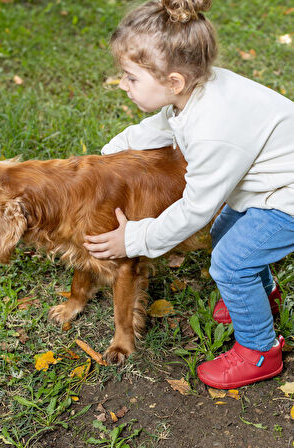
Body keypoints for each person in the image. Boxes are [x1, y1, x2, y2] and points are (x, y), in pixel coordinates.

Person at [83, 0, 294, 389]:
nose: (123, 86)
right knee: (226, 234)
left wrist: (134, 237)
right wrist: (102, 158)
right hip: (270, 187)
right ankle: (261, 295)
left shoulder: (213, 128)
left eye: (130, 78)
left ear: (174, 81)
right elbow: (157, 129)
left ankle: (259, 352)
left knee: (232, 261)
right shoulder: (194, 93)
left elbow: (196, 208)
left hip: (287, 197)